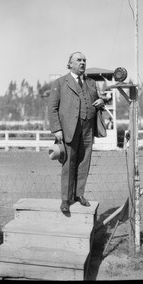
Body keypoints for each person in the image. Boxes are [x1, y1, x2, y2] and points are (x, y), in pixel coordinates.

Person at [48, 51, 104, 213]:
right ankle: (66, 199)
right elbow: (52, 108)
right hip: (68, 130)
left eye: (84, 60)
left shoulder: (91, 83)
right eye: (78, 60)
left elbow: (96, 101)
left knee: (84, 163)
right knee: (68, 164)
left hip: (87, 129)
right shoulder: (60, 82)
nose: (82, 63)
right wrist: (57, 129)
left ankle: (79, 194)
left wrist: (101, 102)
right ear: (70, 64)